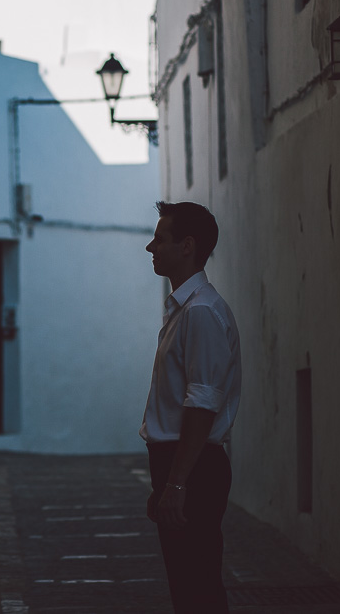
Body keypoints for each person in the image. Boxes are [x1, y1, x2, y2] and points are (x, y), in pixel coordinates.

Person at [140, 202, 241, 614]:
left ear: (187, 246)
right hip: (180, 463)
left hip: (192, 466)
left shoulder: (200, 311)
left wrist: (177, 483)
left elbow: (202, 404)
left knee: (197, 588)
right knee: (188, 585)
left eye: (160, 239)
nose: (150, 247)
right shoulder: (186, 308)